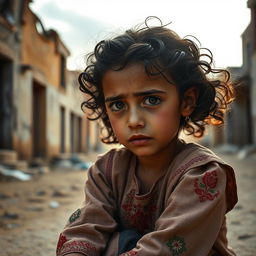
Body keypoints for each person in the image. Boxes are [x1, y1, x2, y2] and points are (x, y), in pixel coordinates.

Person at [56, 17, 238, 256]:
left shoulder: (203, 173)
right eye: (118, 104)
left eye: (151, 100)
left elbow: (167, 248)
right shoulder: (106, 171)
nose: (133, 120)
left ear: (186, 102)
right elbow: (86, 227)